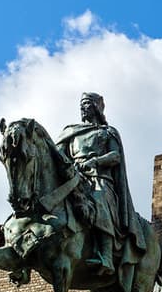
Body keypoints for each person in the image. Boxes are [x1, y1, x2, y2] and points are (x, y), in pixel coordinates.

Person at [55, 92, 136, 275]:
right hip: (74, 177)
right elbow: (58, 155)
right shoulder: (71, 132)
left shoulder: (107, 132)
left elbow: (115, 156)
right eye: (81, 104)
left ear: (97, 107)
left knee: (99, 198)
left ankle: (106, 256)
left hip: (99, 179)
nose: (83, 108)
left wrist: (95, 161)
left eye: (87, 104)